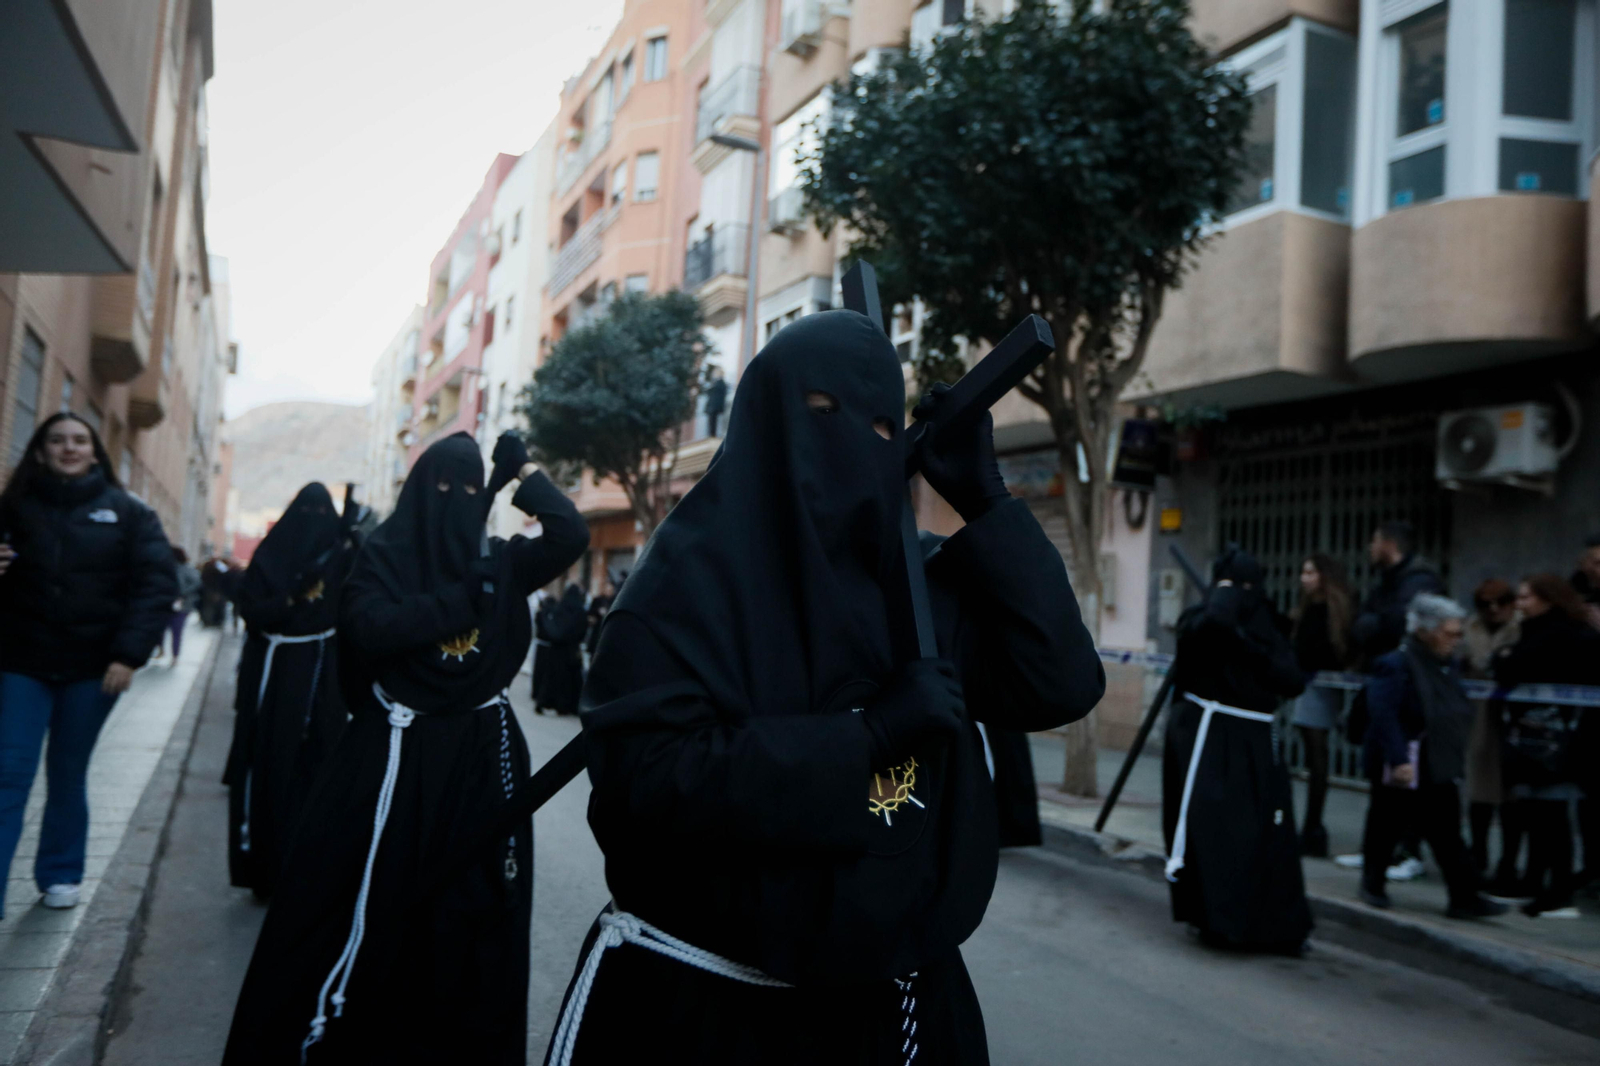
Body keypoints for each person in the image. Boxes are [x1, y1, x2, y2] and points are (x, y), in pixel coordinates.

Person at [542, 311, 1103, 1065]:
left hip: (900, 1011)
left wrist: (989, 502)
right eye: (821, 414)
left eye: (881, 427)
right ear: (766, 420)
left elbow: (1059, 683)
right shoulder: (682, 590)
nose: (854, 445)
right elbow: (646, 784)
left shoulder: (922, 586)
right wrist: (865, 738)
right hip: (715, 1015)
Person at [222, 432, 587, 1064]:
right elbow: (372, 629)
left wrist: (522, 472)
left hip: (482, 759)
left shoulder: (501, 558)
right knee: (364, 900)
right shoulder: (381, 559)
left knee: (475, 910)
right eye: (444, 485)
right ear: (420, 488)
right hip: (393, 752)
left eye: (473, 486)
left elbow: (570, 534)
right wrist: (462, 599)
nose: (458, 499)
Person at [0, 412, 176, 915]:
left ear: (96, 451)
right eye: (57, 440)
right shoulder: (12, 508)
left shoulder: (128, 513)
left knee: (68, 771)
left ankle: (60, 874)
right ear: (40, 450)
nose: (69, 448)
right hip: (20, 662)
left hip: (93, 669)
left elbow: (155, 586)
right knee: (9, 773)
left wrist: (128, 655)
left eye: (79, 440)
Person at [1162, 547, 1312, 954]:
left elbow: (1292, 679)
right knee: (1214, 834)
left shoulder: (1266, 627)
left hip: (1252, 743)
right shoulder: (1204, 621)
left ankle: (1261, 924)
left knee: (1259, 835)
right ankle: (1216, 919)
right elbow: (1204, 630)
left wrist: (1245, 643)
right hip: (1208, 740)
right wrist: (1224, 603)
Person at [223, 483, 360, 898]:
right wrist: (290, 597)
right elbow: (251, 611)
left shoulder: (342, 555)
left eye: (324, 511)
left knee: (322, 766)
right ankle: (263, 865)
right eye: (307, 509)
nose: (314, 518)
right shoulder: (270, 556)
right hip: (276, 670)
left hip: (326, 673)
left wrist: (354, 537)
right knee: (271, 765)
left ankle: (313, 870)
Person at [1357, 594, 1506, 919]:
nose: (1457, 640)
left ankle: (1464, 896)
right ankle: (1373, 882)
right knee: (1386, 823)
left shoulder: (1444, 664)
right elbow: (1383, 715)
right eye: (1449, 633)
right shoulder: (1396, 664)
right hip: (1404, 758)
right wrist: (1398, 760)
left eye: (1458, 633)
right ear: (1425, 631)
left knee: (1447, 830)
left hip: (1435, 759)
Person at [1492, 574, 1600, 918]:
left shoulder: (1563, 636)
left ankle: (1559, 891)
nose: (1520, 605)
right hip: (1537, 738)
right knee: (1536, 811)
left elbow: (1512, 666)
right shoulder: (1543, 633)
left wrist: (1507, 657)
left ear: (1548, 600)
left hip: (1561, 741)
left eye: (1526, 597)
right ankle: (1535, 881)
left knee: (1552, 814)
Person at [1349, 520, 1444, 882]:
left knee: (1409, 775)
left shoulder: (1418, 580)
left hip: (1411, 691)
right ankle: (1379, 853)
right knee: (1381, 774)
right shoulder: (1387, 582)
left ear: (1388, 544)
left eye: (1374, 541)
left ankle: (1408, 850)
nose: (1370, 548)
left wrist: (1376, 623)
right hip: (1387, 681)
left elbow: (1394, 624)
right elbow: (1363, 623)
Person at [1289, 554, 1353, 858]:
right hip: (1308, 684)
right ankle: (1312, 826)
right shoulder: (1308, 607)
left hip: (1322, 686)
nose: (1304, 578)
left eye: (1310, 572)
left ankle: (1313, 827)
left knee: (1317, 757)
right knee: (1313, 755)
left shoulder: (1332, 607)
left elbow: (1332, 647)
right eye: (1303, 572)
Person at [1462, 579, 1522, 891]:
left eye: (1500, 602)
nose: (1494, 610)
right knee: (1480, 792)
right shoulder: (1469, 630)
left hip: (1514, 719)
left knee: (1512, 797)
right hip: (1479, 718)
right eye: (1486, 604)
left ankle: (1508, 863)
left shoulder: (1520, 629)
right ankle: (1478, 854)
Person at [1568, 535, 1600, 891]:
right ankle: (1591, 865)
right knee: (1589, 798)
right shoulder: (1576, 596)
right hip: (1588, 714)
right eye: (1589, 561)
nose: (1593, 569)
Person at [532, 582, 585, 715]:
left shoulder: (559, 608)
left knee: (550, 678)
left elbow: (553, 626)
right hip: (571, 650)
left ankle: (542, 702)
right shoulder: (580, 611)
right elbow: (582, 631)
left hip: (555, 649)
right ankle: (566, 706)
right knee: (570, 680)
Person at [154, 546, 203, 663]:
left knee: (177, 631)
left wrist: (183, 592)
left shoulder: (186, 569)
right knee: (160, 629)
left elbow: (197, 583)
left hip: (181, 604)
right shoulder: (165, 567)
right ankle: (161, 650)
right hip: (166, 603)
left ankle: (175, 655)